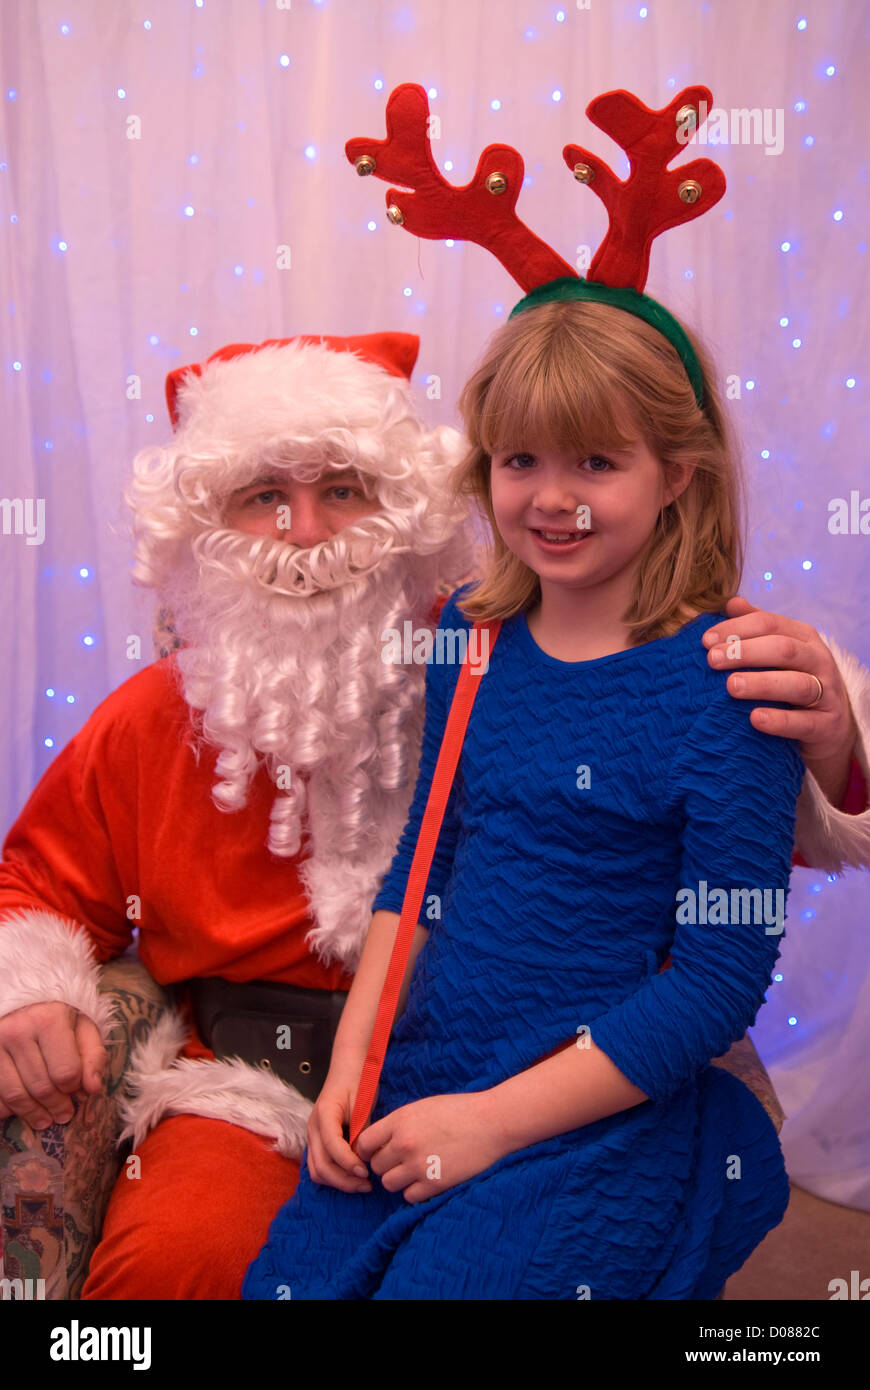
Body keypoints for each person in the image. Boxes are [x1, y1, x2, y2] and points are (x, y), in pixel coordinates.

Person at [240, 287, 867, 1300]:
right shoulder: (469, 638)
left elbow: (715, 983)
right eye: (520, 459)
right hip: (432, 1062)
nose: (551, 497)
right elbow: (422, 864)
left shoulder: (730, 686)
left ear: (677, 475)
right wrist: (350, 1065)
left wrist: (489, 1123)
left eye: (598, 462)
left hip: (592, 1103)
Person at [0, 331, 478, 1299]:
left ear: (405, 512)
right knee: (173, 1267)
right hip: (247, 1090)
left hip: (473, 1075)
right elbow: (36, 882)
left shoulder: (493, 675)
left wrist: (825, 736)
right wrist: (29, 991)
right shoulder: (150, 718)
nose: (306, 534)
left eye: (342, 489)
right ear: (201, 524)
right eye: (265, 497)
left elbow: (702, 804)